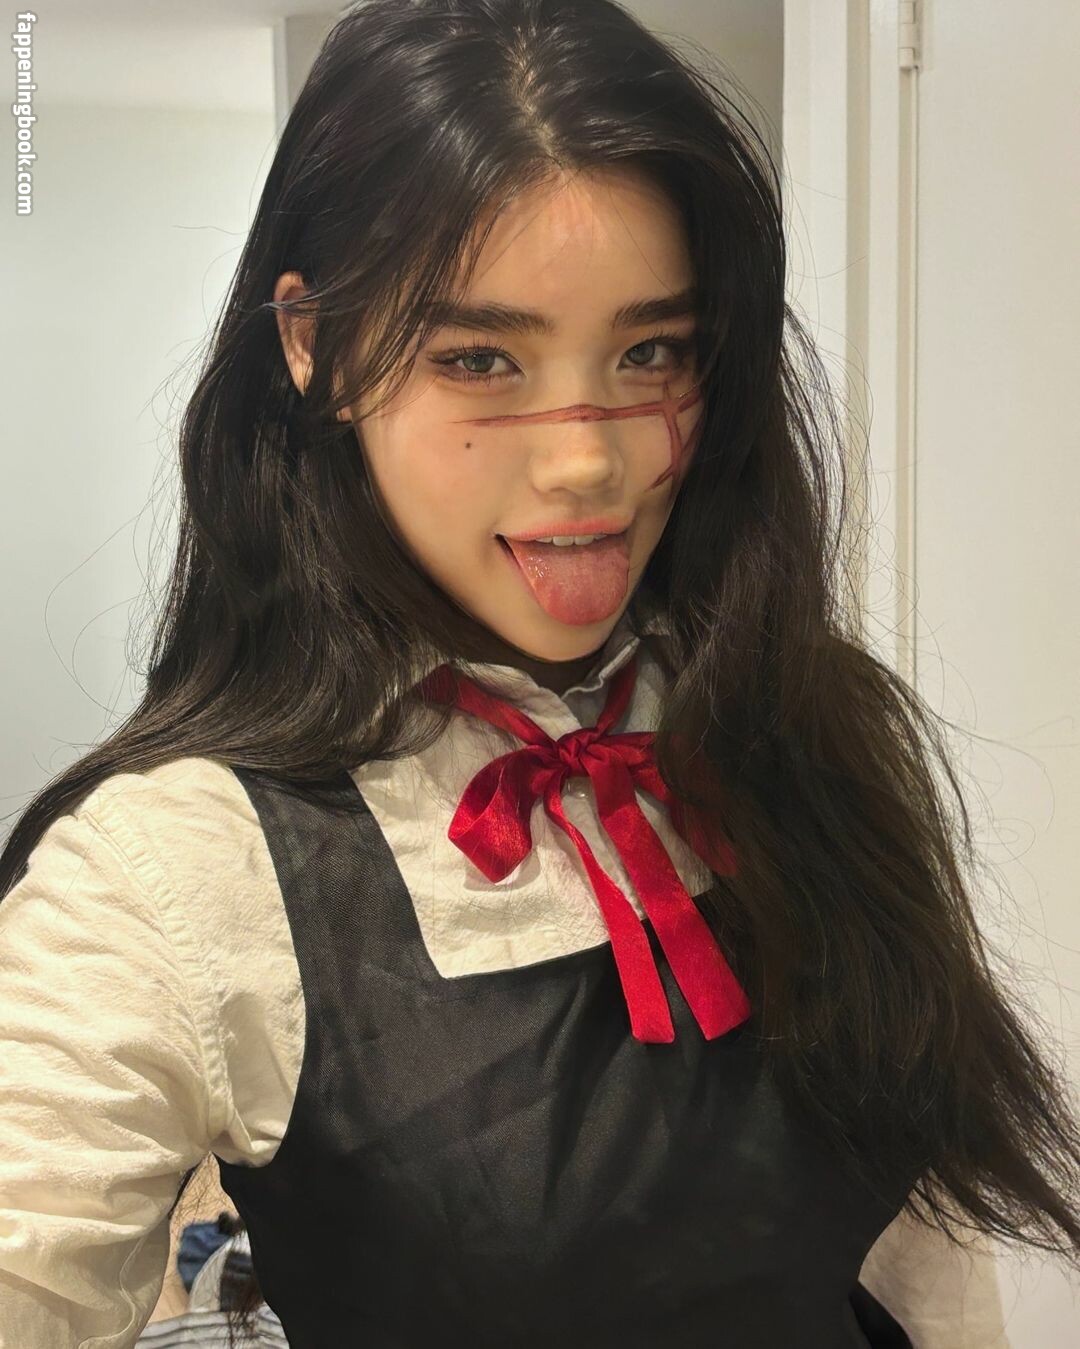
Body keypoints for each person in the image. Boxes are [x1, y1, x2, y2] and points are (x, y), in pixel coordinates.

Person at [1, 0, 1077, 1345]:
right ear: (313, 346)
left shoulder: (803, 722)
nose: (588, 462)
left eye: (651, 353)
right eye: (480, 360)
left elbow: (928, 1263)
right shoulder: (167, 871)